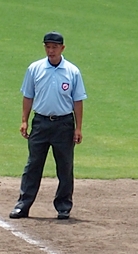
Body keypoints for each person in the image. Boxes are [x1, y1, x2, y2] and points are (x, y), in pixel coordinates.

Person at [9, 31, 87, 220]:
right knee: (33, 165)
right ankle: (23, 205)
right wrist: (24, 120)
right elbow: (28, 96)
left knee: (65, 167)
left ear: (62, 48)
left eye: (54, 47)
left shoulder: (72, 72)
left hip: (64, 124)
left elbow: (77, 101)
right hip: (41, 123)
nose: (51, 51)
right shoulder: (35, 69)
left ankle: (63, 207)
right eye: (48, 47)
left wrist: (78, 128)